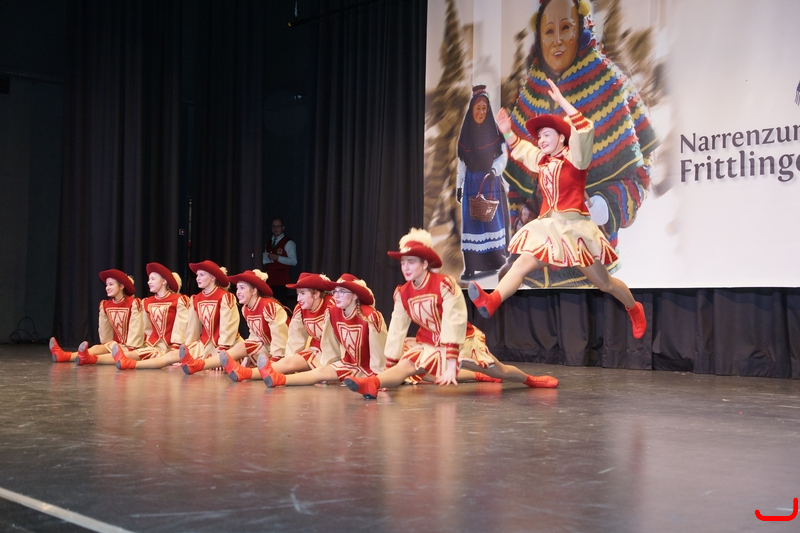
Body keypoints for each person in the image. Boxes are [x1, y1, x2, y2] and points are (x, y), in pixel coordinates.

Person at [468, 79, 647, 339]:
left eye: (547, 135)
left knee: (605, 283)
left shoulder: (576, 158)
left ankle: (634, 308)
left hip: (575, 231)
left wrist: (561, 100)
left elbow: (584, 129)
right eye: (539, 136)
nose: (541, 140)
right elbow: (520, 149)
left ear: (562, 137)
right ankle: (492, 300)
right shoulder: (543, 161)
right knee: (520, 265)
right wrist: (506, 131)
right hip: (550, 230)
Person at [504, 0, 658, 286]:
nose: (557, 40)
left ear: (582, 29)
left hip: (588, 256)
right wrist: (519, 217)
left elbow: (642, 167)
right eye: (549, 31)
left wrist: (606, 206)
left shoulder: (611, 83)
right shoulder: (530, 93)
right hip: (538, 268)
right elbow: (517, 179)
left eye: (566, 28)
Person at [344, 229, 558, 400]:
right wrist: (387, 371)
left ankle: (530, 380)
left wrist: (451, 362)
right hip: (429, 344)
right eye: (403, 262)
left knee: (501, 371)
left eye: (411, 262)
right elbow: (397, 330)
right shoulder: (402, 293)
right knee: (405, 366)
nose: (406, 267)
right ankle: (372, 383)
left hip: (461, 343)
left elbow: (454, 320)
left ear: (425, 264)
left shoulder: (444, 284)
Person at [258, 273, 386, 387]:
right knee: (319, 372)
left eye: (342, 292)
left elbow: (379, 349)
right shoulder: (334, 312)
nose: (336, 296)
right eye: (335, 291)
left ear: (354, 296)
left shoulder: (370, 316)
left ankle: (270, 374)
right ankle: (277, 378)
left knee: (318, 372)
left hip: (368, 367)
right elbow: (330, 345)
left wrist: (379, 377)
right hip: (345, 362)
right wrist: (329, 366)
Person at [115, 260, 243, 372]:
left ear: (213, 277)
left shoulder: (226, 297)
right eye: (197, 275)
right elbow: (192, 330)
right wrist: (187, 347)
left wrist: (222, 350)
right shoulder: (196, 299)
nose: (197, 278)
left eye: (201, 275)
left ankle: (199, 364)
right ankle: (131, 364)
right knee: (173, 356)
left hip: (226, 344)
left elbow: (228, 327)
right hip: (203, 344)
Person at [456, 85, 509, 281]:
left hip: (490, 182)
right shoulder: (466, 133)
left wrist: (495, 170)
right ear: (472, 109)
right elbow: (462, 163)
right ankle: (471, 267)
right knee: (472, 223)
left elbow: (502, 155)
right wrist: (459, 186)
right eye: (477, 108)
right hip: (472, 184)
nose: (481, 112)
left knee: (492, 221)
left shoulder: (494, 131)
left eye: (484, 108)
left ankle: (496, 262)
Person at [50, 269, 143, 365]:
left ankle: (89, 358)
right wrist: (106, 344)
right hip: (117, 344)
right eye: (106, 285)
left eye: (111, 284)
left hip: (133, 345)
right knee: (97, 348)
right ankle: (65, 356)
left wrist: (131, 346)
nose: (107, 288)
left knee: (117, 353)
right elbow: (105, 330)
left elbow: (136, 327)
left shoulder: (133, 303)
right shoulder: (106, 305)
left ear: (121, 286)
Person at [216, 269, 291, 382]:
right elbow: (254, 336)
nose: (238, 292)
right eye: (237, 288)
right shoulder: (246, 309)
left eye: (242, 288)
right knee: (244, 345)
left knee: (244, 346)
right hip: (267, 349)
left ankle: (236, 368)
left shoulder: (269, 306)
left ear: (254, 290)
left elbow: (280, 336)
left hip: (282, 351)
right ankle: (201, 364)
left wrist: (276, 359)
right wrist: (248, 357)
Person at [262, 218, 297, 307]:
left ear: (283, 228)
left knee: (280, 305)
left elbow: (294, 261)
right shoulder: (269, 242)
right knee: (270, 305)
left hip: (281, 281)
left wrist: (278, 258)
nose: (276, 228)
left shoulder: (288, 242)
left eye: (278, 226)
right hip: (270, 280)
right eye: (274, 226)